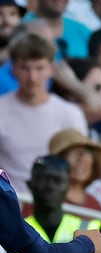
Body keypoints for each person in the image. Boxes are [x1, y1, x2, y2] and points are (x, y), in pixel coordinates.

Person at [0, 33, 88, 193]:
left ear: (51, 69)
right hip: (10, 204)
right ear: (13, 69)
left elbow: (79, 168)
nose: (32, 77)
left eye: (39, 68)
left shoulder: (70, 113)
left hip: (57, 204)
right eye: (24, 68)